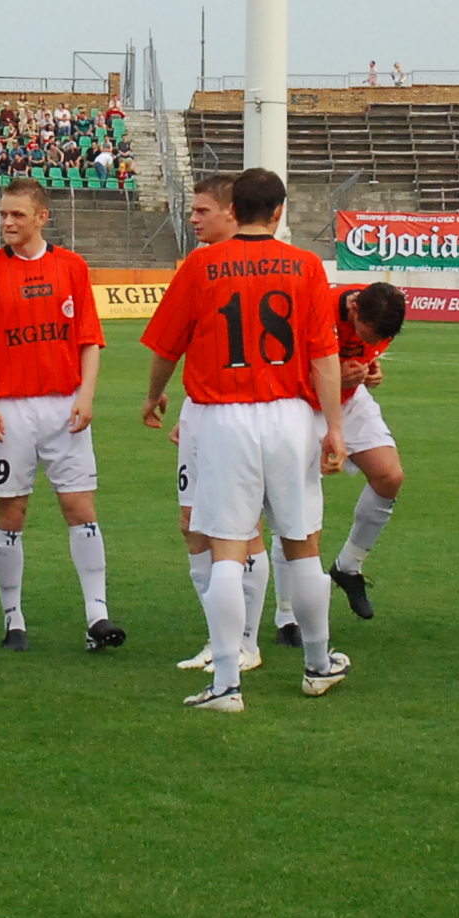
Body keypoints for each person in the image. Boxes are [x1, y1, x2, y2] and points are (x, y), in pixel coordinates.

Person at [140, 167, 347, 711]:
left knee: (228, 551)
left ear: (234, 209)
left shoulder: (201, 265)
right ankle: (318, 664)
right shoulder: (306, 266)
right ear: (279, 211)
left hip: (223, 416)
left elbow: (166, 346)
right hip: (289, 415)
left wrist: (154, 395)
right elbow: (324, 356)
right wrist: (334, 427)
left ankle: (227, 684)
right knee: (302, 545)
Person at [0, 176, 119, 653]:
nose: (7, 222)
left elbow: (89, 340)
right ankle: (14, 619)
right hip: (9, 409)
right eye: (3, 214)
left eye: (17, 215)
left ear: (42, 217)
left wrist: (86, 395)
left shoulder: (72, 267)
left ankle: (97, 615)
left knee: (80, 506)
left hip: (64, 406)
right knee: (11, 509)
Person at [166, 175, 270, 679]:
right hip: (204, 410)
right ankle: (220, 638)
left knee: (244, 529)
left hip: (244, 415)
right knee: (193, 524)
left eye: (202, 210)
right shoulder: (201, 265)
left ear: (232, 212)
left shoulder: (262, 267)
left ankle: (246, 642)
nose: (193, 218)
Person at [322, 280, 410, 620]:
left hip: (348, 399)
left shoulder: (383, 312)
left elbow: (366, 354)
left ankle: (348, 566)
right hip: (305, 402)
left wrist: (370, 371)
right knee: (298, 508)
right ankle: (288, 614)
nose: (374, 343)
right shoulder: (320, 307)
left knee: (389, 476)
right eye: (368, 334)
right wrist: (333, 378)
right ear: (353, 309)